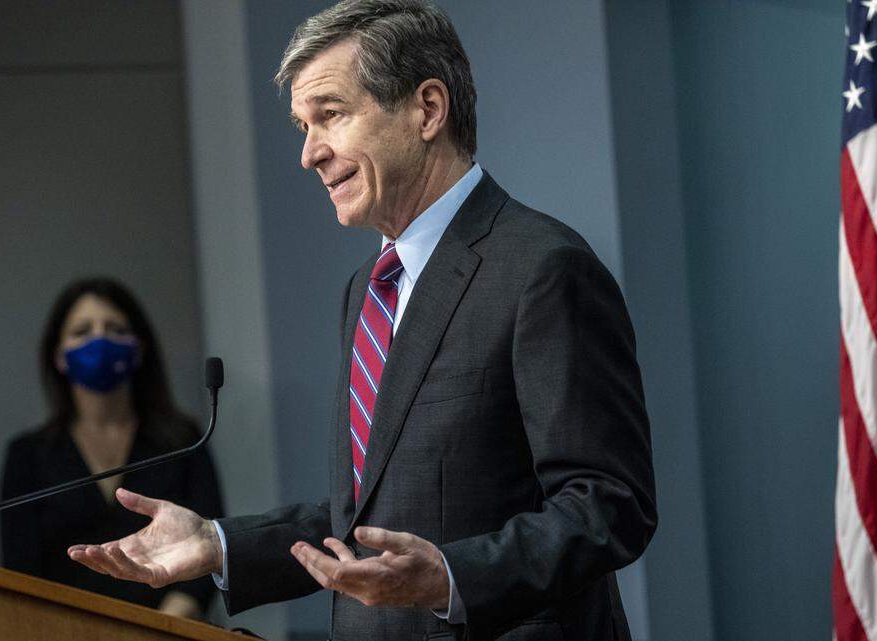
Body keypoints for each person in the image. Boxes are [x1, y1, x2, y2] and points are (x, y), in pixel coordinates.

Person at [67, 1, 657, 639]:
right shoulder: (367, 290)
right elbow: (370, 515)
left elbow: (608, 505)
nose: (308, 154)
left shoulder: (543, 268)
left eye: (330, 115)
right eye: (302, 126)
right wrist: (218, 543)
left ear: (427, 110)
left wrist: (450, 577)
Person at [0, 277, 224, 619]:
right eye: (82, 331)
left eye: (115, 328)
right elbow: (20, 571)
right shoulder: (28, 455)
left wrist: (159, 629)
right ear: (58, 355)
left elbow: (207, 549)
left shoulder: (182, 440)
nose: (99, 340)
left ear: (139, 349)